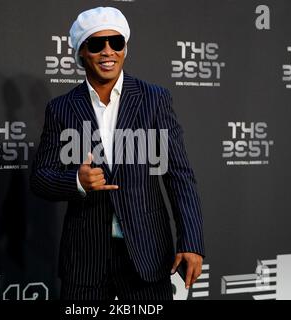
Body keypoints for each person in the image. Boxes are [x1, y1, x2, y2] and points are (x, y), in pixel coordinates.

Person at [30, 6, 204, 300]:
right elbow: (39, 178)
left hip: (147, 255)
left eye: (116, 42)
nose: (108, 51)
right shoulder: (60, 109)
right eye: (97, 44)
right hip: (86, 259)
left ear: (124, 47)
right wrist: (76, 181)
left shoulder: (154, 99)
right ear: (82, 52)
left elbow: (179, 175)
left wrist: (191, 241)